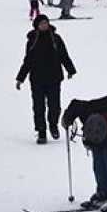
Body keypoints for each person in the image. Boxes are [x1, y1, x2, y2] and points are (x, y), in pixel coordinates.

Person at [15, 13, 77, 144]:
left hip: (54, 78)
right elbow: (28, 61)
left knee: (54, 106)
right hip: (37, 79)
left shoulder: (56, 39)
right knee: (38, 107)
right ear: (37, 26)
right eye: (42, 23)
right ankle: (41, 132)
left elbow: (64, 55)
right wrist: (21, 78)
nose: (44, 25)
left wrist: (70, 70)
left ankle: (53, 125)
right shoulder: (32, 41)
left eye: (46, 23)